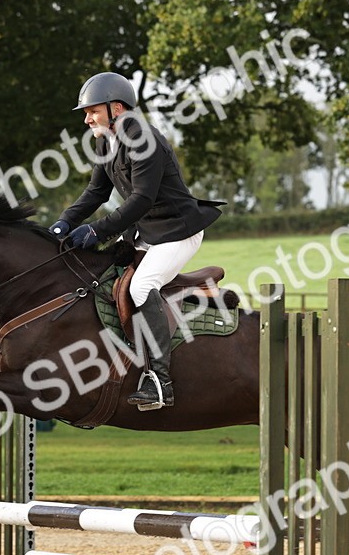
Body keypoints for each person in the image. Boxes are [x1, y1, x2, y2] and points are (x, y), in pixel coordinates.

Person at [49, 72, 223, 409]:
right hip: (148, 233)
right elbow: (97, 191)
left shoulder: (143, 138)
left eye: (92, 112)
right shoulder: (107, 140)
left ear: (116, 107)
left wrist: (96, 231)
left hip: (177, 232)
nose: (87, 120)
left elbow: (142, 199)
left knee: (141, 287)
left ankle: (160, 381)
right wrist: (65, 221)